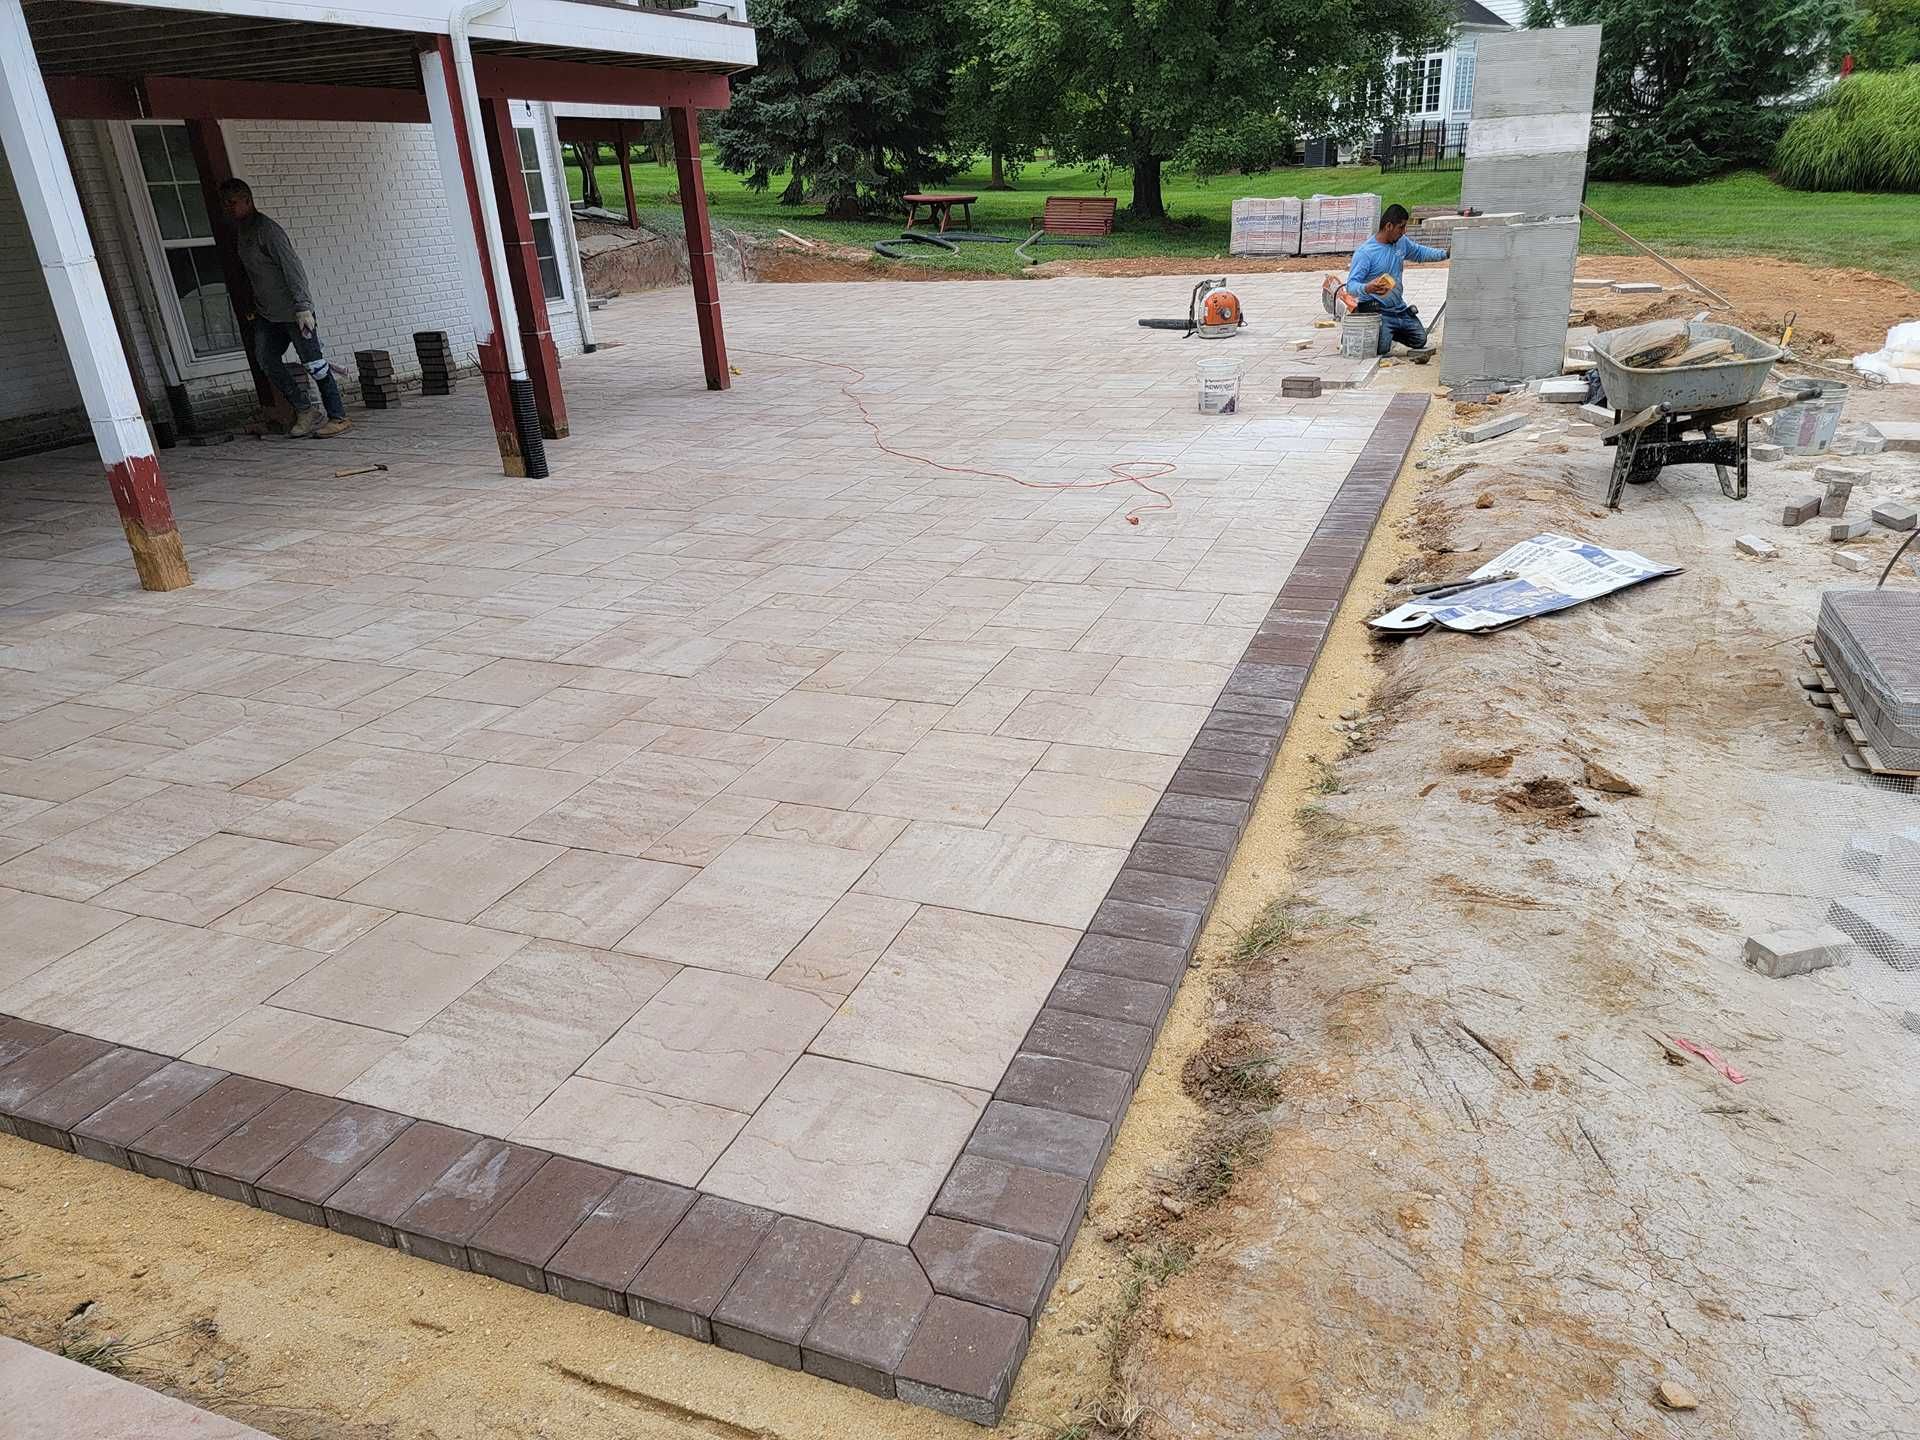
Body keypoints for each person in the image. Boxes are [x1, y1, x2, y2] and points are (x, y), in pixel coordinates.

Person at [217, 178, 350, 439]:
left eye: (233, 203)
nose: (228, 208)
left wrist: (303, 306)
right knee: (266, 359)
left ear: (247, 201)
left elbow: (293, 267)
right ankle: (305, 410)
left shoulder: (268, 231)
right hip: (267, 314)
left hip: (294, 312)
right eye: (225, 204)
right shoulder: (242, 232)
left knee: (315, 365)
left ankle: (338, 416)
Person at [1344, 203, 1446, 357]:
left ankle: (1389, 331)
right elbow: (1351, 286)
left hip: (1398, 309)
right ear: (1389, 226)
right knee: (1382, 349)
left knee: (1419, 339)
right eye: (1401, 227)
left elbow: (1419, 252)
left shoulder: (1401, 242)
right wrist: (1367, 288)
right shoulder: (1366, 253)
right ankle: (1369, 329)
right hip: (1377, 310)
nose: (1404, 231)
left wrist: (1445, 254)